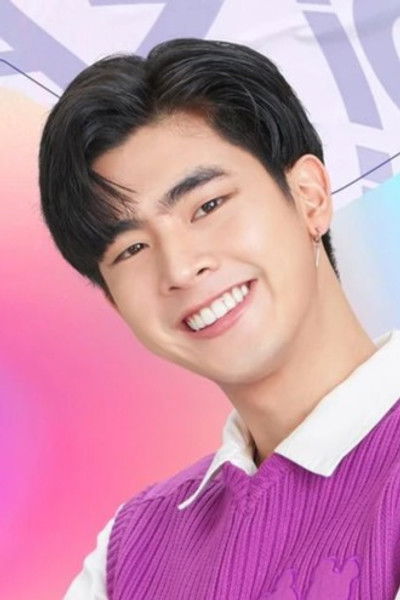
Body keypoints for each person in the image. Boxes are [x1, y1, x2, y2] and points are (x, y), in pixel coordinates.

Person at [39, 38, 400, 600]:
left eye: (207, 206)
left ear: (309, 196)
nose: (180, 268)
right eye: (131, 250)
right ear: (114, 302)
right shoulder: (130, 551)